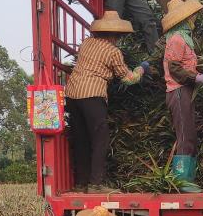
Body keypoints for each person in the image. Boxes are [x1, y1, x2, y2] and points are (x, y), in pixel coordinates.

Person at [64, 10, 149, 191]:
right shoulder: (113, 52)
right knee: (100, 138)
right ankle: (96, 184)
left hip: (72, 94)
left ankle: (81, 183)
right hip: (92, 95)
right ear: (115, 34)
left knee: (81, 138)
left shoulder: (86, 43)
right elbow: (128, 79)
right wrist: (141, 69)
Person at [160, 0, 203, 192]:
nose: (194, 19)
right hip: (178, 91)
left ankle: (188, 179)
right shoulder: (176, 39)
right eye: (191, 16)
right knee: (185, 134)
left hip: (185, 91)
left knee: (189, 133)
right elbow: (174, 68)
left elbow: (186, 65)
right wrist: (196, 78)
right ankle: (181, 181)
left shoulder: (184, 38)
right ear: (184, 18)